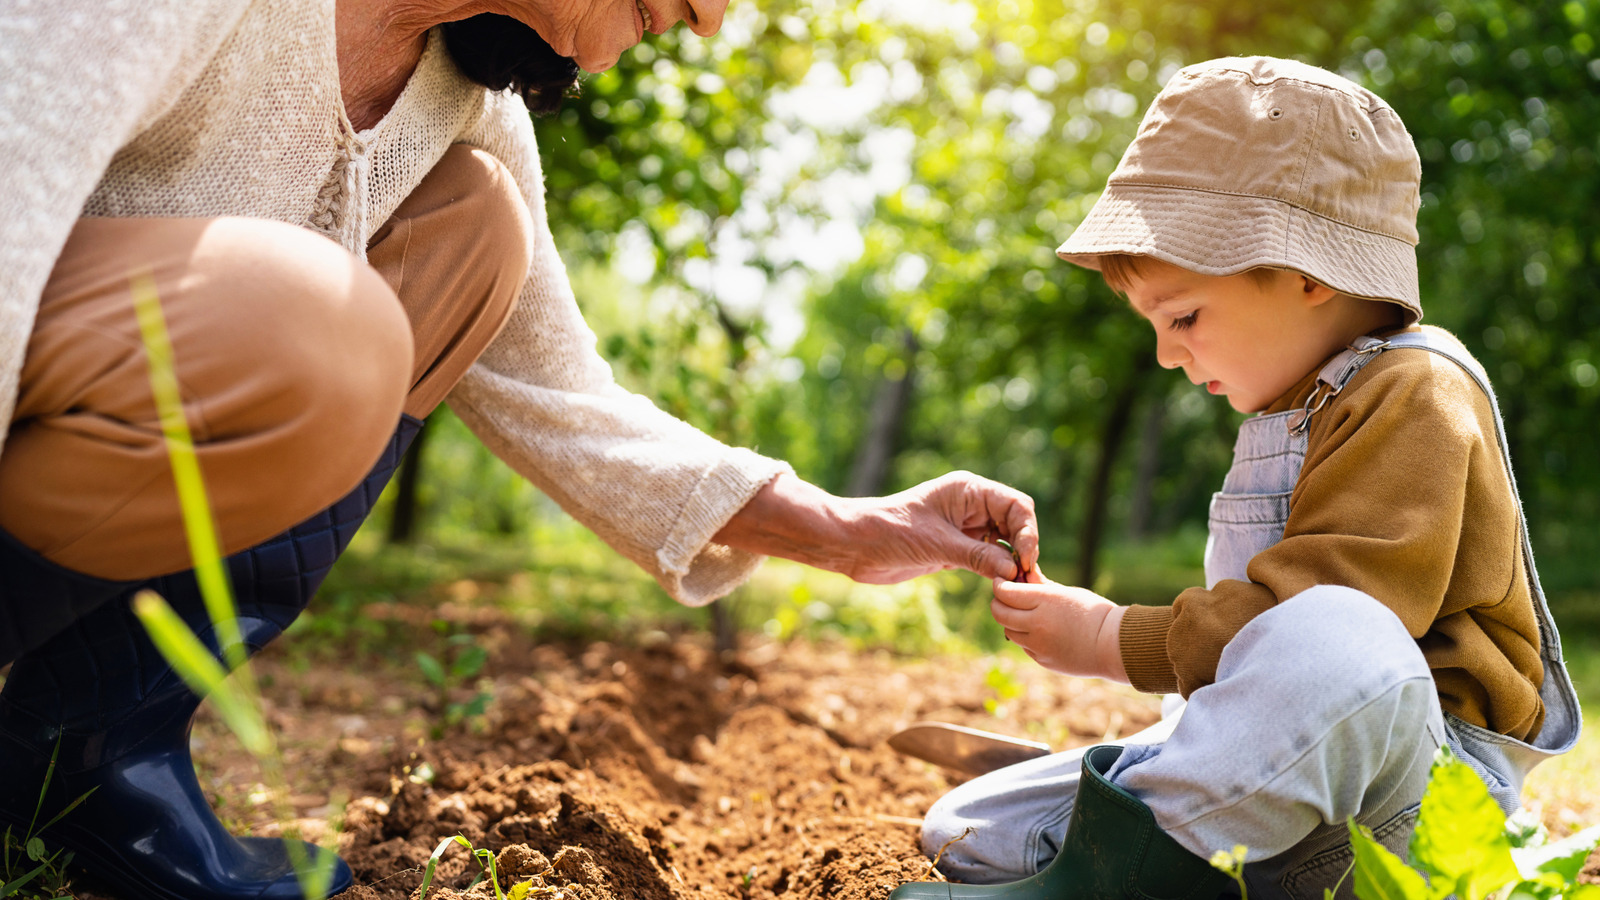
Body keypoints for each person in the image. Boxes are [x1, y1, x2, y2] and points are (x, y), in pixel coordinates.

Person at [0, 4, 1041, 900]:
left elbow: (566, 402)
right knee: (320, 328)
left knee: (473, 226)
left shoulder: (465, 106)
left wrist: (855, 533)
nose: (713, 18)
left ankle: (96, 748)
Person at [892, 56, 1582, 900]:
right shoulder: (1293, 407)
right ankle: (1157, 809)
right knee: (964, 827)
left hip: (1412, 798)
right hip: (1307, 804)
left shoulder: (1417, 391)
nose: (1165, 353)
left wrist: (1112, 637)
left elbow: (1323, 625)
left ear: (1309, 275)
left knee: (1339, 634)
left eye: (1182, 316)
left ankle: (1120, 855)